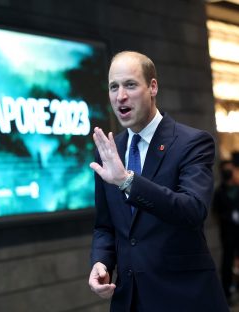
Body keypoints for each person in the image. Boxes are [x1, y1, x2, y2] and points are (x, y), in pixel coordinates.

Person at [88, 51, 229, 311]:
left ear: (152, 87)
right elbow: (105, 226)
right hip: (130, 300)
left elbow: (192, 209)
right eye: (114, 87)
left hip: (184, 298)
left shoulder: (192, 143)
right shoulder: (109, 151)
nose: (121, 96)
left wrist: (127, 181)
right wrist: (101, 261)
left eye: (130, 84)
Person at [213, 158, 239, 302]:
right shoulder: (220, 191)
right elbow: (217, 211)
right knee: (227, 262)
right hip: (228, 233)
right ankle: (227, 292)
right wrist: (229, 216)